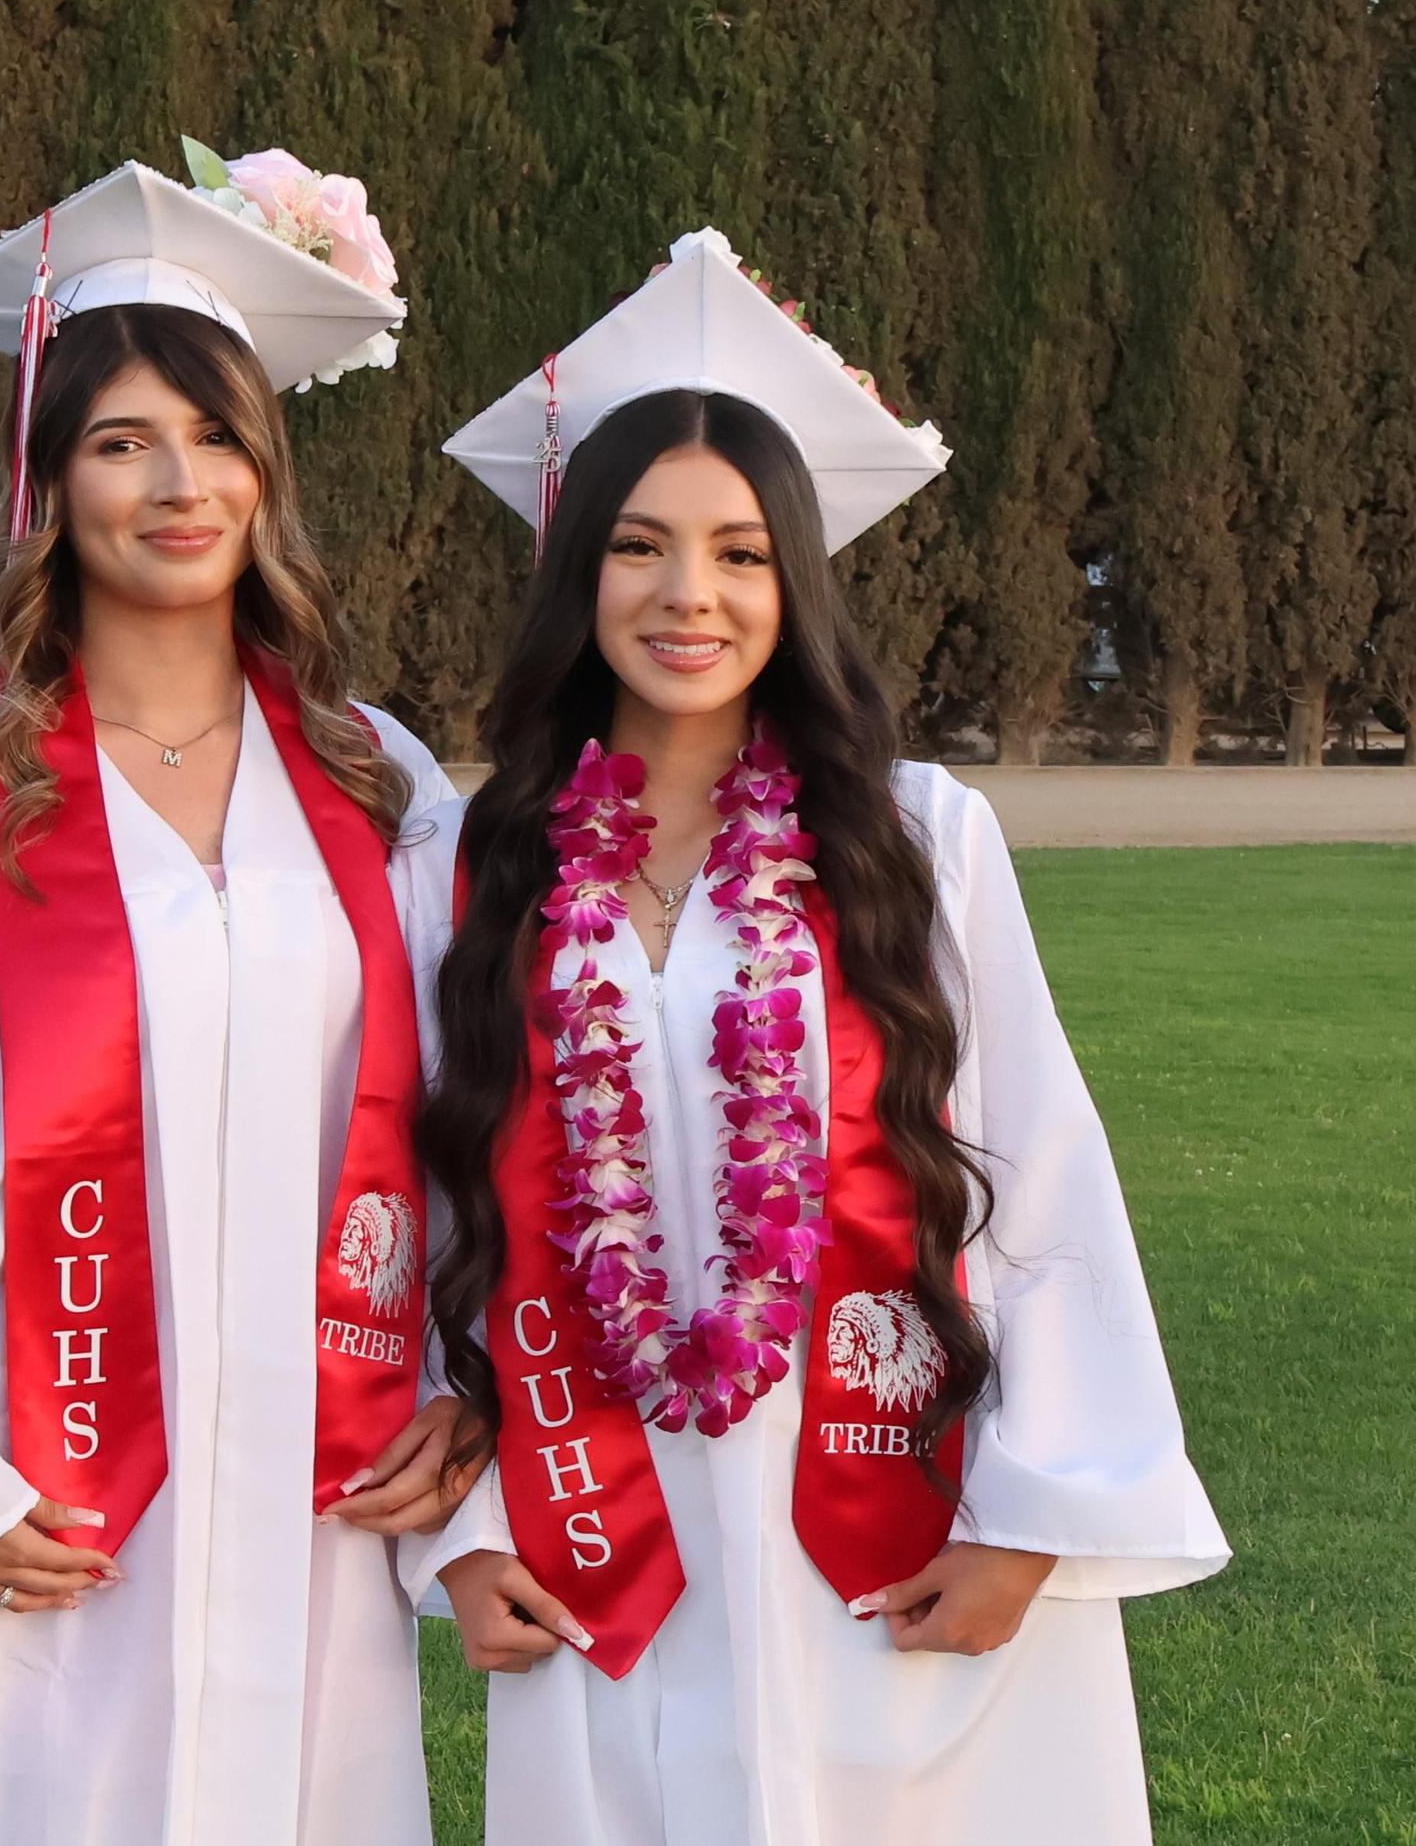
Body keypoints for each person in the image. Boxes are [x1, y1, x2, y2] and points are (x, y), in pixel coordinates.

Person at [393, 228, 1230, 1846]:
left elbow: (1038, 1173)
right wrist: (467, 1533)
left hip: (890, 1513)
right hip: (608, 1540)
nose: (687, 595)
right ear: (580, 575)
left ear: (798, 578)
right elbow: (441, 1201)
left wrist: (1035, 1516)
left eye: (741, 551)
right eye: (638, 547)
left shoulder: (915, 839)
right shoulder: (470, 861)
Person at [0, 148, 470, 1846]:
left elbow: (473, 1119)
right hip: (20, 1493)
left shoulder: (378, 782)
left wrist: (466, 1368)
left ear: (270, 481)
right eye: (124, 441)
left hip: (297, 1485)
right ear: (48, 486)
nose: (179, 483)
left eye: (218, 439)